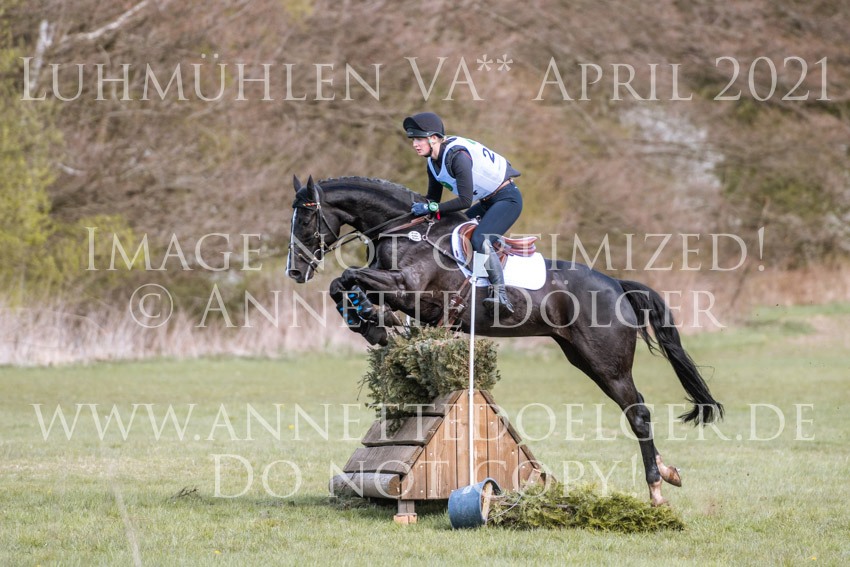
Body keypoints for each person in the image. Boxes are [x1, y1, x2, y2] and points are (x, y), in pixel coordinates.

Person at [403, 111, 522, 314]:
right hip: (486, 201)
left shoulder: (458, 157)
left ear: (434, 138)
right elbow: (432, 200)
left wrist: (431, 208)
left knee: (479, 239)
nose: (415, 144)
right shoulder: (432, 163)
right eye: (413, 139)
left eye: (419, 139)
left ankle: (501, 295)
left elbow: (464, 201)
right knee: (450, 231)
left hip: (507, 199)